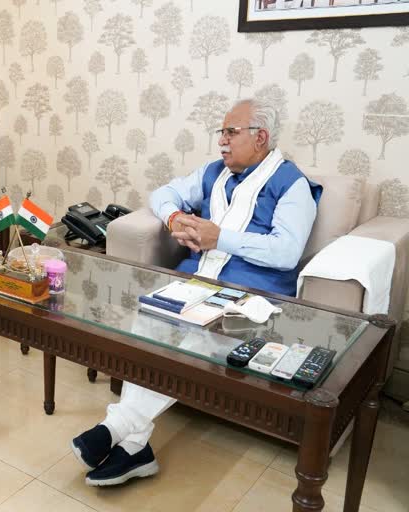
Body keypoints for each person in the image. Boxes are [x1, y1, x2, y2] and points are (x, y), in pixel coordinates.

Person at [71, 98, 323, 486]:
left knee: (198, 333)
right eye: (220, 132)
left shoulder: (293, 185)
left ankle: (119, 429)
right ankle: (135, 446)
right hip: (197, 281)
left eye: (230, 132)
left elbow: (287, 252)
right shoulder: (213, 172)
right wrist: (175, 217)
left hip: (252, 293)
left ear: (261, 138)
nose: (221, 141)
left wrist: (220, 236)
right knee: (147, 321)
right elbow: (162, 194)